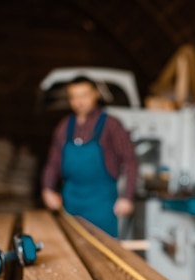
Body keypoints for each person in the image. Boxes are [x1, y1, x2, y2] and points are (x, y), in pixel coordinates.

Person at [41, 76, 138, 238]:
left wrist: (127, 197)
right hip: (71, 199)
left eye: (84, 95)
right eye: (74, 96)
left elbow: (130, 161)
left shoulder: (111, 125)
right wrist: (47, 189)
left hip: (102, 202)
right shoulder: (64, 126)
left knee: (104, 251)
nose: (80, 101)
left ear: (96, 94)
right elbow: (53, 162)